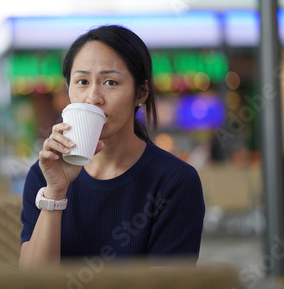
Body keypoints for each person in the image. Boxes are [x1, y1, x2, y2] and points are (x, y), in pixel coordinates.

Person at [19, 25, 205, 268]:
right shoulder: (44, 175)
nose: (93, 97)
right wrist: (55, 193)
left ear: (141, 93)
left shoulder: (175, 181)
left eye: (110, 82)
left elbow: (168, 284)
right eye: (82, 81)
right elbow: (33, 283)